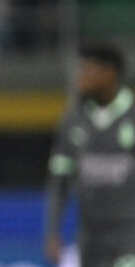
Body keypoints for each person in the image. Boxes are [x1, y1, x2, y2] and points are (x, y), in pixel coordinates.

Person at [45, 43, 135, 267]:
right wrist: (53, 230)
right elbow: (59, 181)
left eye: (88, 70)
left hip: (129, 235)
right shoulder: (73, 120)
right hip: (90, 237)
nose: (81, 77)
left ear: (109, 73)